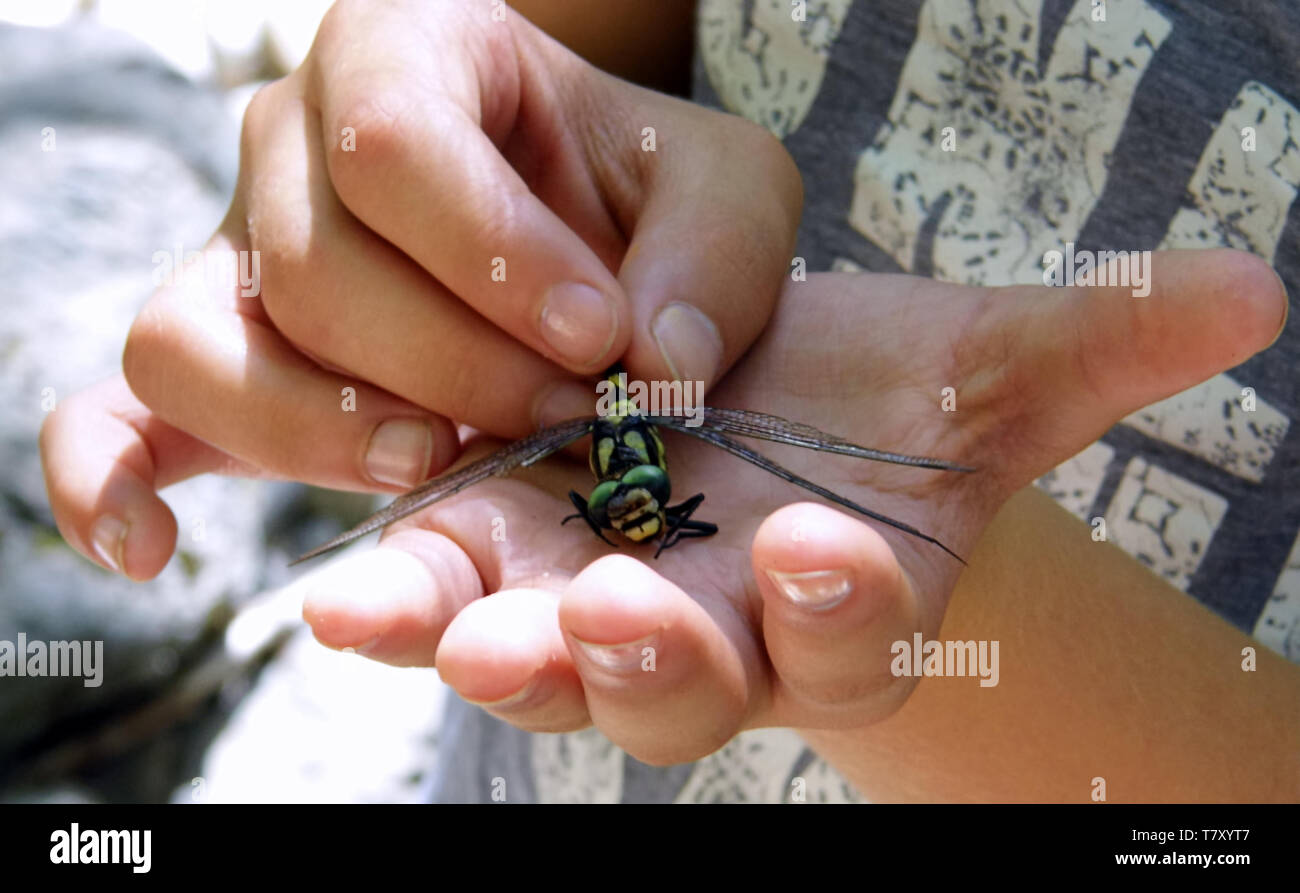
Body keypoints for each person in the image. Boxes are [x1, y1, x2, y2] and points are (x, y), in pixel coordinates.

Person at [39, 0, 1300, 801]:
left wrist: (920, 568)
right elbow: (595, 46)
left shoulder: (655, 482)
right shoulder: (628, 452)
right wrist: (458, 92)